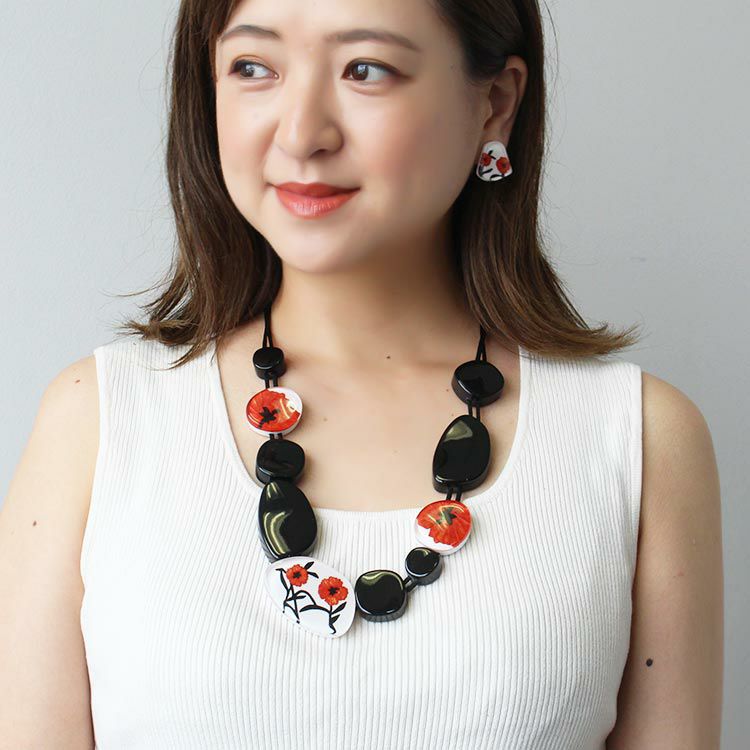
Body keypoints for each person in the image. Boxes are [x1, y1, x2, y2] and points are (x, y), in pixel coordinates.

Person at [0, 0, 724, 747]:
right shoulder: (100, 420)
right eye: (253, 67)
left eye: (365, 69)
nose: (301, 133)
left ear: (495, 104)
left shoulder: (636, 440)